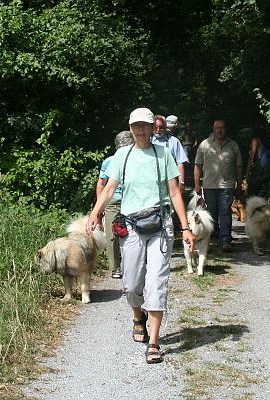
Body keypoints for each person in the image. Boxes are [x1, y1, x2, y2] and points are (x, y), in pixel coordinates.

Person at [86, 107, 195, 364]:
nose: (141, 130)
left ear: (152, 127)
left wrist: (186, 227)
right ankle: (138, 316)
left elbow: (175, 192)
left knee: (156, 281)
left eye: (145, 125)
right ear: (130, 127)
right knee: (131, 284)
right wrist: (95, 213)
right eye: (136, 125)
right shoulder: (121, 156)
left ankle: (154, 342)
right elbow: (110, 187)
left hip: (160, 224)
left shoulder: (163, 154)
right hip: (132, 226)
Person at [193, 119, 243, 252]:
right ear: (213, 129)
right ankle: (213, 238)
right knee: (211, 213)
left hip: (227, 185)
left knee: (225, 212)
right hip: (209, 185)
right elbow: (197, 166)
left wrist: (239, 185)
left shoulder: (233, 145)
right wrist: (197, 185)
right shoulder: (204, 145)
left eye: (222, 128)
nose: (220, 131)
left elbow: (239, 167)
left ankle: (225, 239)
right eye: (217, 128)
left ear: (226, 129)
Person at [95, 130, 134, 279]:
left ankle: (134, 264)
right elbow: (101, 184)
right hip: (113, 201)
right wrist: (100, 206)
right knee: (112, 234)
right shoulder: (109, 161)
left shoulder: (136, 159)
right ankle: (115, 267)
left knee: (133, 232)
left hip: (132, 199)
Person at [151, 115, 189, 193]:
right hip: (151, 182)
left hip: (170, 181)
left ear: (165, 127)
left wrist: (181, 182)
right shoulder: (148, 141)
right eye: (155, 127)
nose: (158, 130)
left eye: (161, 127)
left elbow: (180, 163)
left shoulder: (174, 141)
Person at [246, 124, 270, 197]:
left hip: (260, 171)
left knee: (255, 193)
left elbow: (252, 158)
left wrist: (247, 173)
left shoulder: (255, 140)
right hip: (269, 171)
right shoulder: (267, 140)